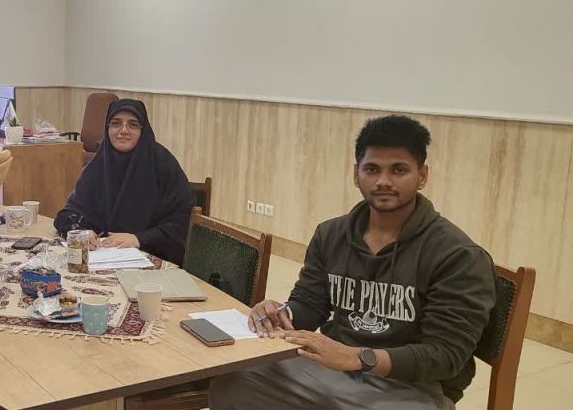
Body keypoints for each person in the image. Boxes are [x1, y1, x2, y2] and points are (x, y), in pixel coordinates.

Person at [209, 115, 495, 410]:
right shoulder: (331, 234)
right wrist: (281, 313)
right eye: (372, 169)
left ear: (422, 175)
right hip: (330, 369)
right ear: (356, 174)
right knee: (234, 381)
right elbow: (310, 303)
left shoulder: (457, 255)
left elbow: (444, 355)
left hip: (409, 386)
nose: (383, 181)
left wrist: (357, 357)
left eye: (399, 170)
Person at [54, 98, 195, 264]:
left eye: (133, 125)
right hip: (102, 258)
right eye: (116, 123)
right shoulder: (98, 165)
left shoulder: (163, 164)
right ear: (107, 128)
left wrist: (138, 239)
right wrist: (82, 232)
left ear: (143, 130)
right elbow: (67, 214)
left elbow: (183, 224)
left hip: (151, 260)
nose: (123, 131)